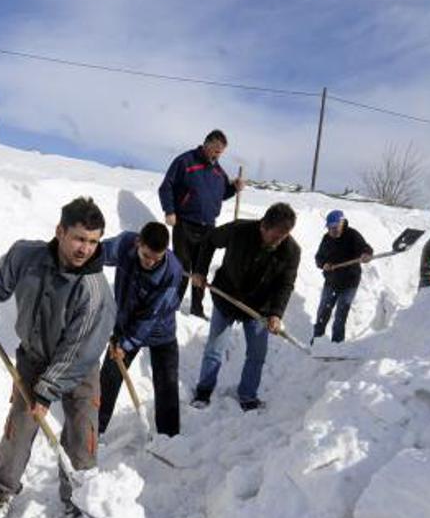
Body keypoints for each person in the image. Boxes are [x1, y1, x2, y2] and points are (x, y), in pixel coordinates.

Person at [0, 197, 115, 518]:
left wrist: (45, 393)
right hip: (34, 357)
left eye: (93, 241)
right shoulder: (27, 256)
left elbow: (78, 350)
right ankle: (3, 491)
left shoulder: (94, 291)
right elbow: (1, 278)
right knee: (20, 424)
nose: (85, 249)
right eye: (79, 238)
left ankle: (78, 502)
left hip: (79, 367)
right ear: (60, 232)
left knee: (81, 433)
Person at [190, 203, 300, 411]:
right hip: (226, 297)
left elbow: (285, 284)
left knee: (257, 354)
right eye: (276, 236)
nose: (280, 241)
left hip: (259, 309)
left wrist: (276, 314)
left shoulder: (291, 251)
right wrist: (200, 271)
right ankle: (203, 392)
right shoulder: (239, 230)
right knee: (215, 349)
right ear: (263, 227)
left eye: (284, 236)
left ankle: (248, 396)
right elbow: (209, 240)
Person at [96, 221, 185, 437]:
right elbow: (99, 253)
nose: (151, 263)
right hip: (125, 321)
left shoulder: (172, 272)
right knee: (109, 376)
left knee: (167, 383)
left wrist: (125, 344)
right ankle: (94, 428)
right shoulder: (126, 243)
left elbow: (151, 316)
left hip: (159, 329)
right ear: (138, 243)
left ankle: (169, 436)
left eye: (157, 258)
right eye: (146, 256)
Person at [158, 129, 245, 319]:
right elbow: (166, 187)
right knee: (182, 267)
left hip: (208, 227)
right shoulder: (185, 161)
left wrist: (234, 188)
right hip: (185, 223)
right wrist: (169, 211)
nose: (217, 155)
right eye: (215, 150)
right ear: (206, 144)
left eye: (220, 152)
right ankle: (173, 307)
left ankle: (197, 310)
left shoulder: (218, 172)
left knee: (201, 270)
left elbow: (221, 195)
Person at [312, 209, 373, 344]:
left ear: (342, 223)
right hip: (331, 281)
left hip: (350, 282)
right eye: (330, 228)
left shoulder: (352, 235)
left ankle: (337, 345)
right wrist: (324, 264)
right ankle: (316, 342)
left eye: (335, 227)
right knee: (323, 312)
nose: (333, 230)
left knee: (341, 314)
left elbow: (366, 248)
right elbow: (318, 258)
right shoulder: (326, 239)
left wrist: (366, 254)